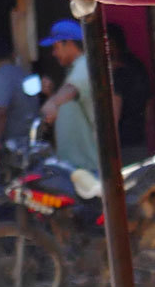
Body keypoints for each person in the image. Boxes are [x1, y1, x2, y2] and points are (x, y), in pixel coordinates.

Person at [38, 18, 113, 173]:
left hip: (87, 167)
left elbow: (71, 90)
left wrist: (53, 102)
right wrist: (52, 96)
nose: (53, 53)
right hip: (76, 167)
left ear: (69, 43)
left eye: (56, 47)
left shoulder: (85, 64)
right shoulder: (74, 69)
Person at [0, 41, 37, 175]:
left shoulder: (0, 75)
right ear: (13, 55)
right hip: (32, 143)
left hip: (14, 148)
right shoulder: (25, 73)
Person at [105, 23, 152, 162]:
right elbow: (149, 106)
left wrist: (107, 144)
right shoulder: (138, 65)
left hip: (122, 145)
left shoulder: (118, 73)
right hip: (140, 140)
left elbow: (114, 113)